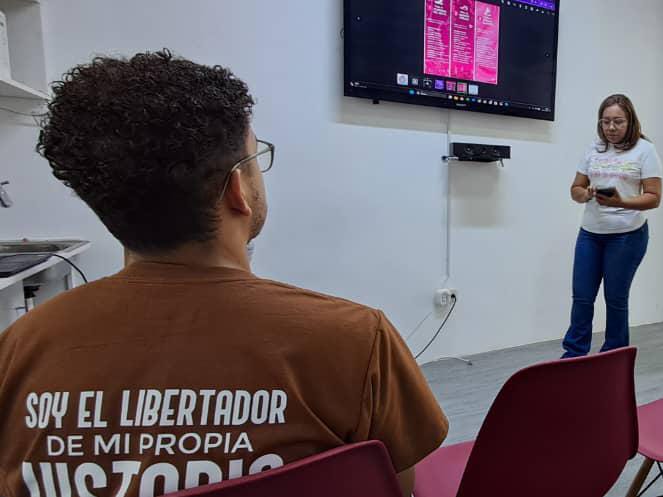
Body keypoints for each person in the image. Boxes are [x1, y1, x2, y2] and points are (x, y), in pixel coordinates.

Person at [0, 50, 448, 497]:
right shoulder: (358, 338)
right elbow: (395, 488)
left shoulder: (19, 348)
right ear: (238, 188)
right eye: (256, 158)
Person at [561, 94, 663, 358]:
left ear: (630, 121)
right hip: (590, 234)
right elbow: (575, 188)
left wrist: (622, 202)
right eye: (605, 122)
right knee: (582, 297)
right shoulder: (593, 149)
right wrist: (585, 194)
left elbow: (654, 197)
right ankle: (573, 355)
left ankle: (614, 357)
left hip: (627, 236)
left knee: (616, 299)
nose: (611, 127)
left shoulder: (645, 150)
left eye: (618, 121)